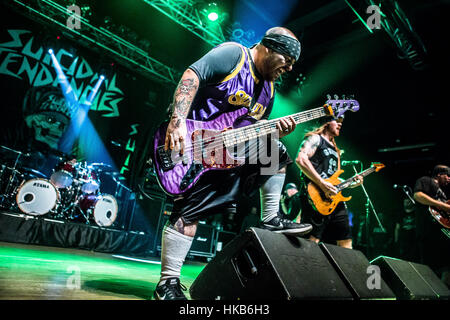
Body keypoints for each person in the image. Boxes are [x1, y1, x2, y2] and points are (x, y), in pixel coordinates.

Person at [153, 27, 313, 300]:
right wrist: (177, 122)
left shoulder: (268, 92)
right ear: (270, 47)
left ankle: (271, 217)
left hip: (221, 155)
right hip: (186, 144)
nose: (288, 69)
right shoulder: (234, 55)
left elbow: (245, 128)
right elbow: (192, 75)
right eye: (287, 60)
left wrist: (272, 130)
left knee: (275, 149)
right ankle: (167, 283)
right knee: (187, 212)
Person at [295, 115, 363, 249]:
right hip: (315, 196)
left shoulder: (336, 150)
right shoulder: (316, 138)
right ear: (326, 123)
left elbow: (333, 179)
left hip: (334, 200)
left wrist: (351, 183)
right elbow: (301, 159)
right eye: (337, 121)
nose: (340, 124)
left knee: (345, 240)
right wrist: (321, 183)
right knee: (312, 240)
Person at [413, 164, 450, 285]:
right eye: (448, 176)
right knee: (429, 270)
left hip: (441, 233)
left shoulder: (443, 193)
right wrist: (444, 206)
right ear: (439, 174)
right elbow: (417, 195)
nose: (449, 179)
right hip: (427, 232)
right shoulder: (426, 180)